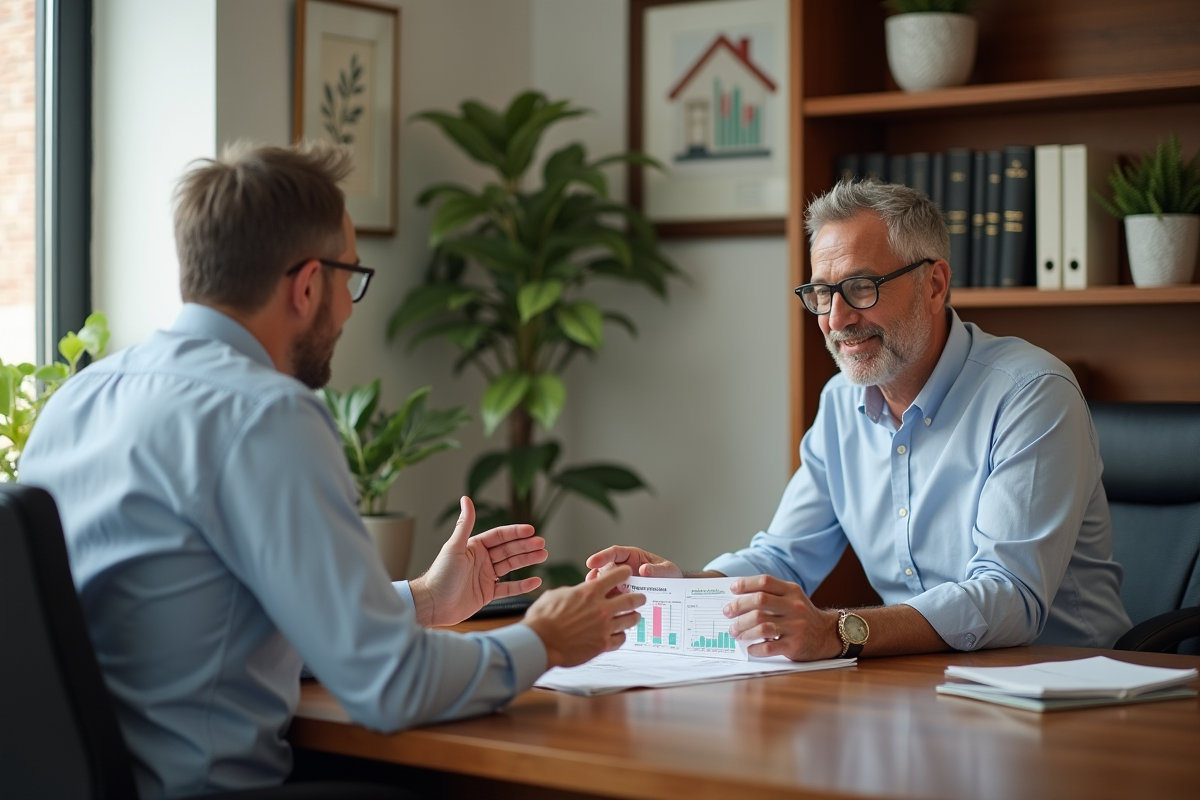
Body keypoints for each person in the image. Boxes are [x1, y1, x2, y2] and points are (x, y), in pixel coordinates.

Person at [19, 141, 644, 800]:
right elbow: (390, 687)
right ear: (309, 283)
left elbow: (202, 624)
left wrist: (427, 600)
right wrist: (543, 637)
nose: (348, 308)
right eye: (352, 278)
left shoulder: (76, 401)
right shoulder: (264, 415)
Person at [587, 179, 1131, 662]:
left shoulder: (1031, 394)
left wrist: (837, 631)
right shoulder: (840, 402)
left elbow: (1009, 597)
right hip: (923, 680)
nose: (836, 319)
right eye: (822, 294)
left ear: (935, 284)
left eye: (861, 288)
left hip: (1065, 686)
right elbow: (783, 557)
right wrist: (682, 587)